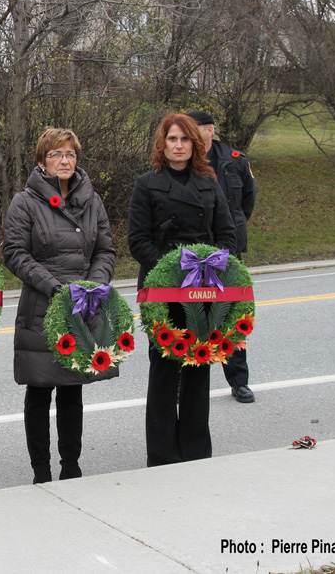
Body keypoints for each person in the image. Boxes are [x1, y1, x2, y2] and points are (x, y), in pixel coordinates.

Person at [3, 128, 118, 484]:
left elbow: (105, 250)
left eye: (70, 154)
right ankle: (41, 472)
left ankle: (72, 467)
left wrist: (94, 286)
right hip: (42, 306)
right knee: (39, 391)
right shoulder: (25, 202)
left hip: (83, 307)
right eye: (56, 154)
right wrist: (55, 287)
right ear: (42, 162)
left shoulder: (91, 200)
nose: (64, 160)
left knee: (72, 391)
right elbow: (14, 253)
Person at [128, 113, 236, 467]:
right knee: (164, 368)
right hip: (163, 289)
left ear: (195, 144)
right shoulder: (147, 184)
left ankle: (195, 450)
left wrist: (212, 266)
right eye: (172, 139)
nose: (178, 145)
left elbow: (227, 234)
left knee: (197, 365)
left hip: (204, 289)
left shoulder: (209, 181)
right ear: (163, 143)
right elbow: (138, 240)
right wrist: (173, 272)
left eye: (185, 140)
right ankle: (161, 454)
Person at [186, 110, 257, 404]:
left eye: (200, 129)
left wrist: (232, 230)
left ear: (210, 131)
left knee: (230, 315)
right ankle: (185, 380)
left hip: (228, 249)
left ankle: (239, 381)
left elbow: (247, 201)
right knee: (191, 315)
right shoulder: (182, 163)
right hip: (193, 252)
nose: (200, 134)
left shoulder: (235, 161)